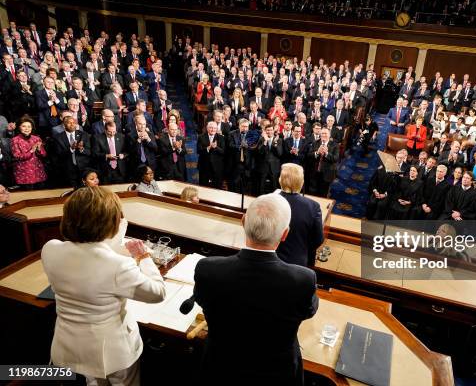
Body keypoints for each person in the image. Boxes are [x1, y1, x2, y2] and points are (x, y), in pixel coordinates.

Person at [41, 187, 166, 384]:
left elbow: (89, 257)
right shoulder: (118, 265)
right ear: (111, 222)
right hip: (114, 354)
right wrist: (143, 257)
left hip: (67, 348)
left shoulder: (50, 249)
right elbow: (158, 293)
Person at [193, 194, 318, 385]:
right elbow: (309, 309)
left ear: (243, 222)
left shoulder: (207, 269)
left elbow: (203, 300)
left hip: (220, 370)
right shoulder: (302, 280)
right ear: (285, 234)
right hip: (277, 376)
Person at [275, 164, 324, 267]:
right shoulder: (313, 207)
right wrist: (302, 248)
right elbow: (318, 239)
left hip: (271, 260)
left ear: (280, 180)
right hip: (297, 264)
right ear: (301, 183)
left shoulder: (268, 201)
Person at [11, 116, 47, 189]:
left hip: (38, 172)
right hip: (24, 174)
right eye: (24, 126)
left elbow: (44, 155)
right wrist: (31, 151)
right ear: (19, 127)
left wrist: (39, 149)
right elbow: (17, 156)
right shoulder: (15, 140)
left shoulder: (37, 138)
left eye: (29, 126)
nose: (27, 129)